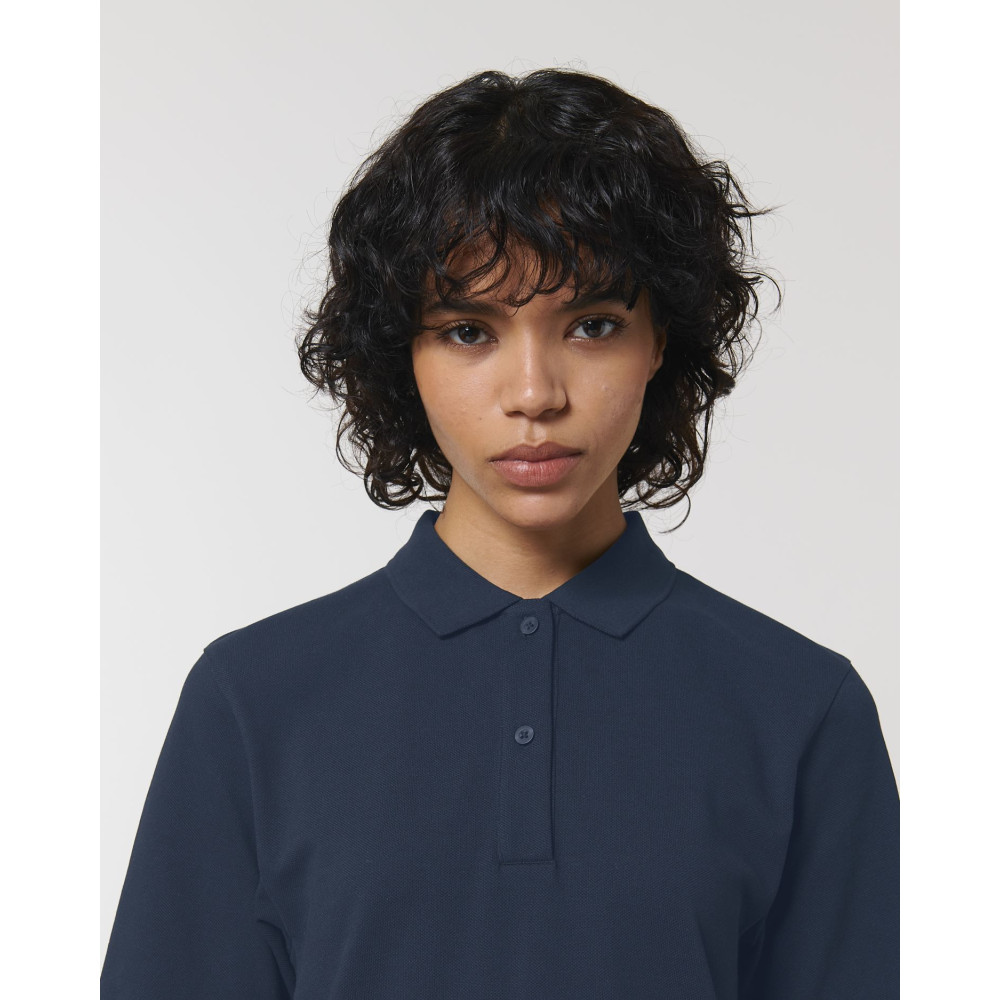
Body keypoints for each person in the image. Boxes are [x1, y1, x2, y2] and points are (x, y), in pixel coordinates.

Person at [101, 68, 899, 998]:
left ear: (660, 342)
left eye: (592, 325)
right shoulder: (252, 701)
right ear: (402, 354)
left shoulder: (802, 710)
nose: (534, 394)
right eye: (469, 331)